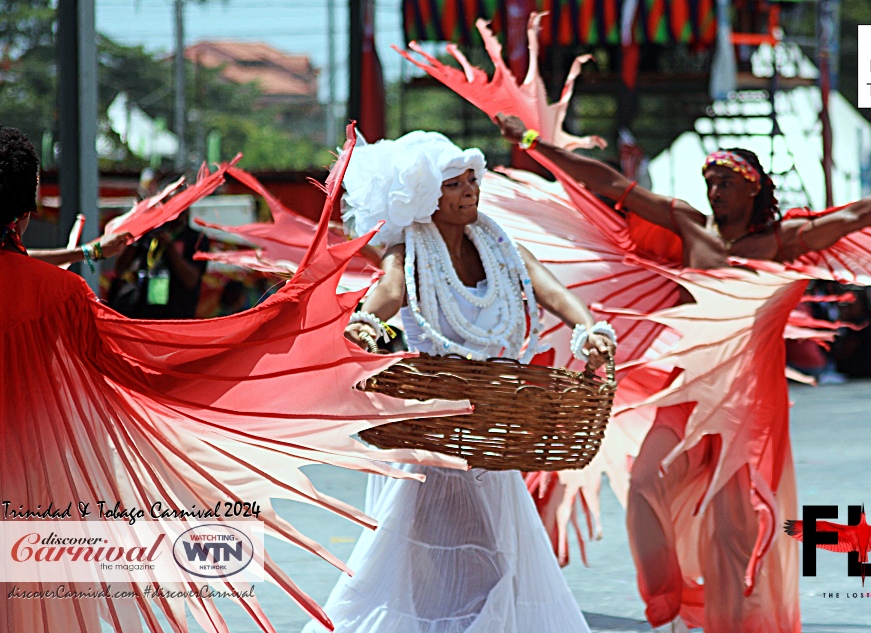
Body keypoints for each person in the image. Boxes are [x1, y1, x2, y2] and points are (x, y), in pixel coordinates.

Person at [495, 113, 871, 633]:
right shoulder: (691, 226)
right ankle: (666, 599)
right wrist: (535, 143)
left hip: (745, 406)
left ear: (753, 188)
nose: (714, 190)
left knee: (735, 532)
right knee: (647, 482)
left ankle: (734, 623)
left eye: (725, 182)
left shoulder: (785, 241)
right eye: (709, 181)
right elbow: (609, 183)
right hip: (685, 392)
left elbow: (856, 217)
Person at [0, 124, 471, 632]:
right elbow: (145, 368)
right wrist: (260, 334)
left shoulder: (63, 289)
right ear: (25, 214)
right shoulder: (59, 297)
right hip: (27, 486)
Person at [303, 131, 615, 633]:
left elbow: (552, 290)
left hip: (489, 437)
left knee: (476, 564)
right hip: (431, 439)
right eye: (453, 184)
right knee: (445, 566)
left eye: (472, 179)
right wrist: (365, 322)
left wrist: (590, 331)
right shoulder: (406, 256)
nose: (470, 190)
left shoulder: (501, 248)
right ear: (425, 197)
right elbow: (387, 293)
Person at [109, 211, 208, 318]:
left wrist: (169, 247)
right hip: (144, 312)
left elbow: (191, 280)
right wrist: (136, 236)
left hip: (177, 314)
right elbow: (120, 270)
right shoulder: (149, 234)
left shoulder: (196, 238)